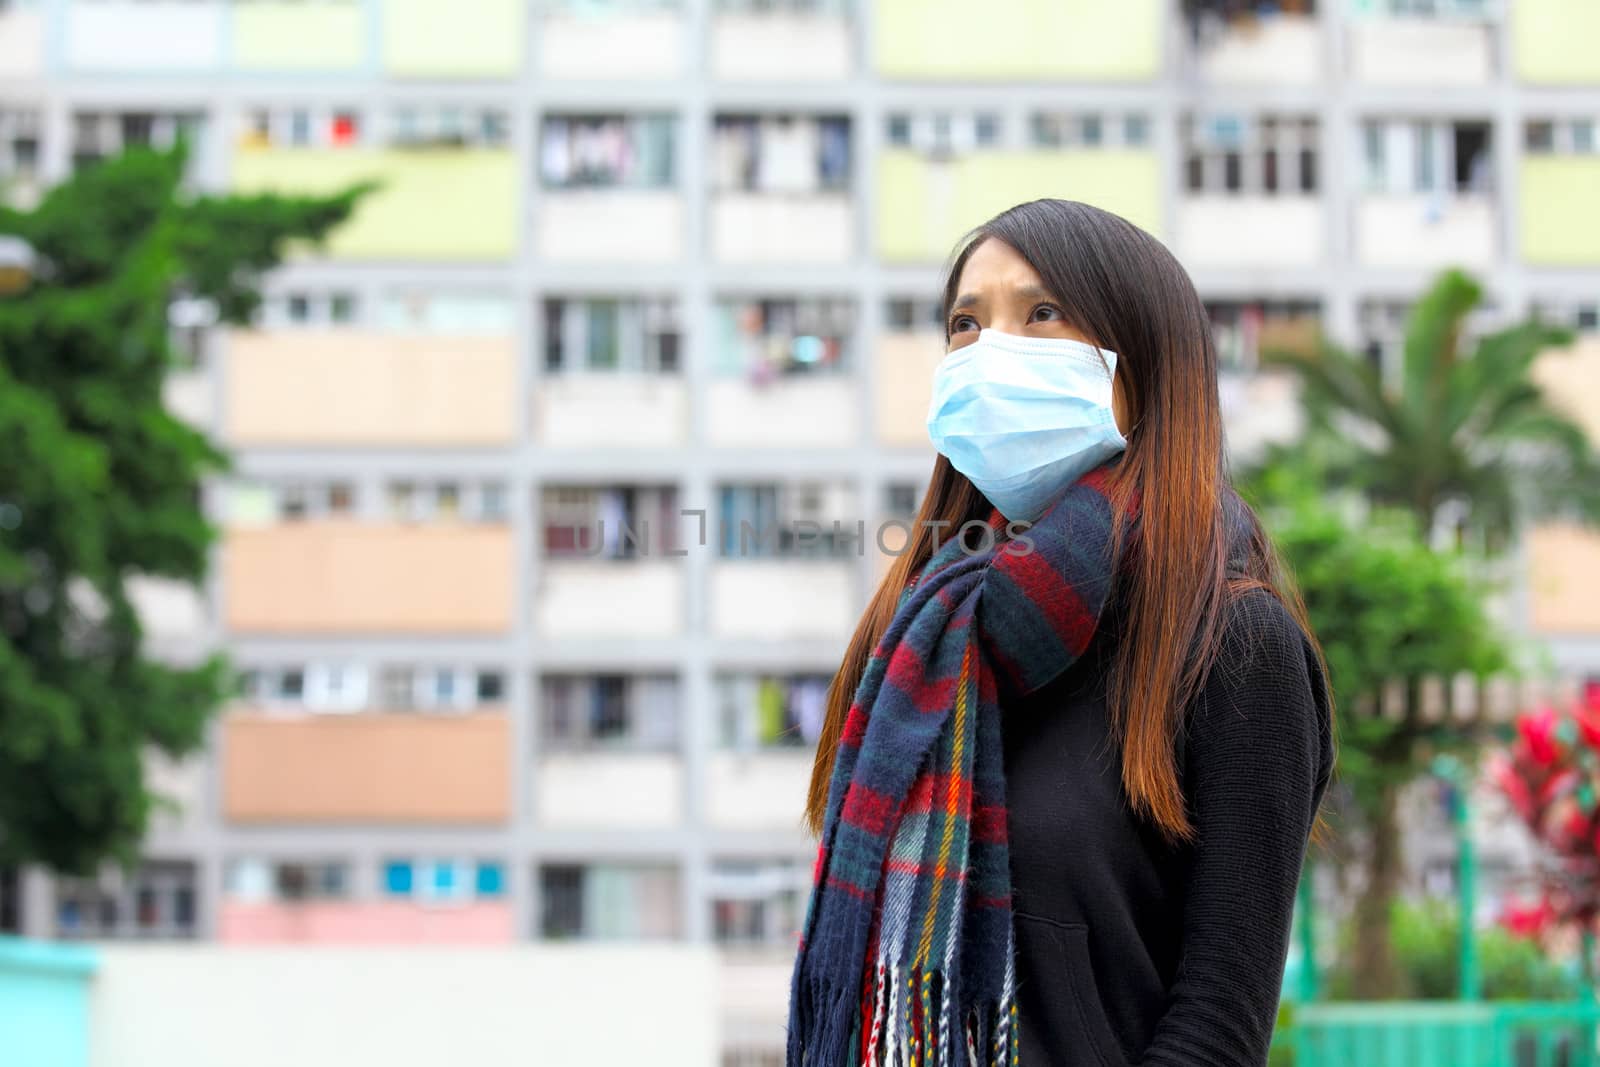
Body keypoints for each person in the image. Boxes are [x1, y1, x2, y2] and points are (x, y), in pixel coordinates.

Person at [786, 198, 1336, 1067]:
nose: (990, 349)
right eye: (965, 324)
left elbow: (1218, 1026)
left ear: (1144, 361)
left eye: (1040, 313)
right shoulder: (926, 639)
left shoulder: (1232, 645)